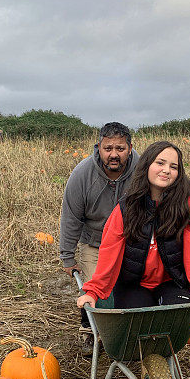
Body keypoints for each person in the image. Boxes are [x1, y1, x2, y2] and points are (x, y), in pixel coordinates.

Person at [77, 140, 190, 313]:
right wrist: (94, 291)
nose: (167, 170)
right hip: (133, 284)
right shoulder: (127, 207)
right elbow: (110, 252)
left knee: (177, 311)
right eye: (160, 163)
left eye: (174, 167)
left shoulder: (188, 205)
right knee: (138, 317)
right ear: (146, 166)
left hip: (172, 282)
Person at [60, 121, 140, 352]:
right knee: (94, 285)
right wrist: (67, 256)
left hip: (132, 240)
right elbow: (71, 217)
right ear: (99, 147)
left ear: (130, 148)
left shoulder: (142, 171)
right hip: (95, 242)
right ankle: (90, 331)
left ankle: (127, 330)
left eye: (120, 148)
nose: (114, 154)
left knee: (131, 285)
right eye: (108, 149)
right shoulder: (82, 175)